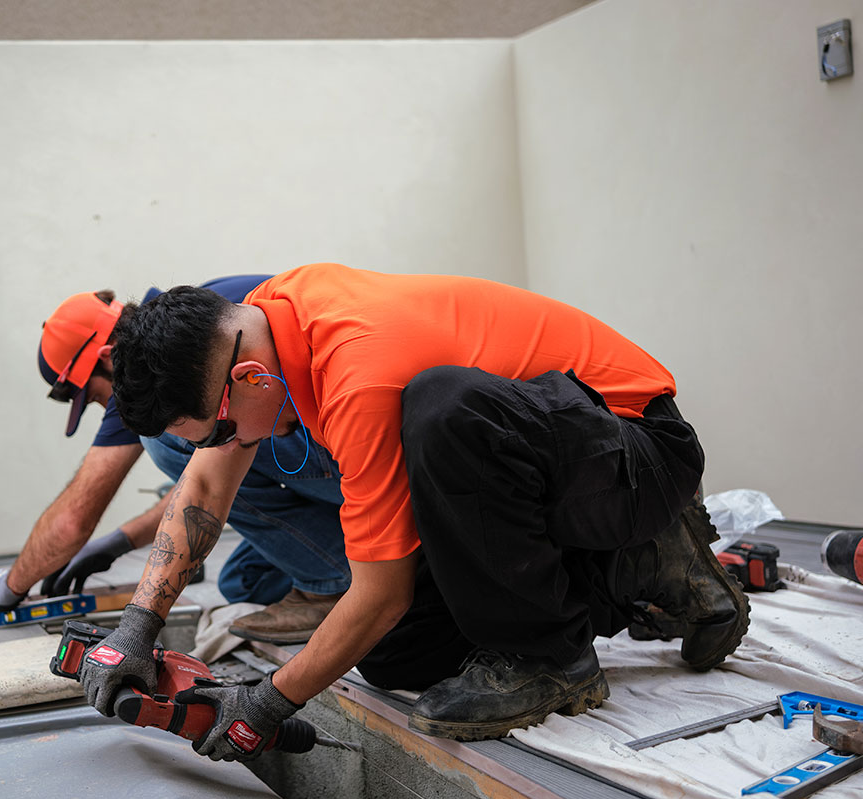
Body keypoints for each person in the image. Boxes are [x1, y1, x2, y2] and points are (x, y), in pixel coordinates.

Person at [78, 263, 751, 761]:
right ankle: (638, 574)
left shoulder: (357, 373)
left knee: (441, 409)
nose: (233, 447)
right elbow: (201, 491)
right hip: (569, 470)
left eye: (223, 431)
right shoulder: (264, 320)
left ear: (249, 379)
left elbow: (381, 594)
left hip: (638, 452)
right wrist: (137, 627)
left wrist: (265, 701)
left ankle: (551, 655)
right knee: (398, 654)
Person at [0, 276, 351, 645]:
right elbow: (201, 480)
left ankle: (331, 584)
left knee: (163, 436)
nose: (105, 407)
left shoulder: (162, 366)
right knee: (244, 581)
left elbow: (73, 522)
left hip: (350, 448)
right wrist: (119, 543)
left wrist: (10, 588)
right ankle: (359, 565)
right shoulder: (201, 307)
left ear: (107, 358)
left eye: (94, 396)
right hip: (330, 445)